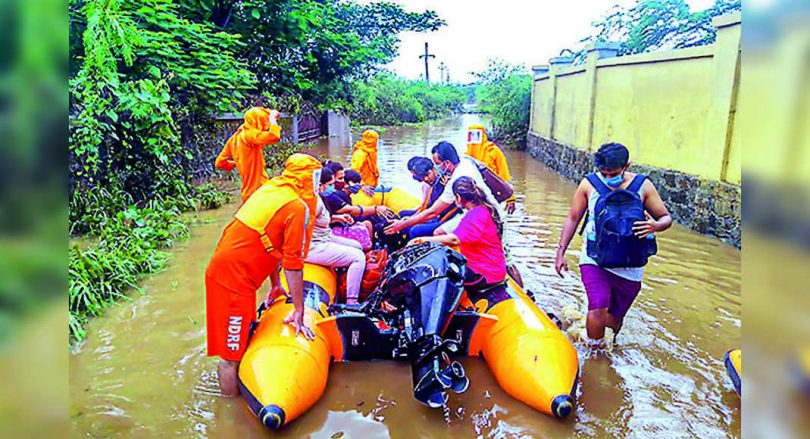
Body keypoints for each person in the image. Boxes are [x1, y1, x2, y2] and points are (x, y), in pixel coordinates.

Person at [204, 153, 320, 397]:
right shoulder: (295, 206)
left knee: (240, 342)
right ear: (308, 178)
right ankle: (229, 414)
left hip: (236, 276)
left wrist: (275, 285)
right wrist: (298, 310)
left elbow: (268, 243)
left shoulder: (272, 190)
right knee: (230, 356)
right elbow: (293, 263)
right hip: (232, 281)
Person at [554, 142, 672, 341]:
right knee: (598, 307)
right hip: (595, 258)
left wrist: (655, 226)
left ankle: (607, 348)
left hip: (631, 262)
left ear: (627, 166)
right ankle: (594, 356)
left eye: (613, 173)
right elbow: (573, 218)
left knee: (615, 317)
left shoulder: (643, 185)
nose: (608, 178)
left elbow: (665, 217)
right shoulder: (588, 184)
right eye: (604, 173)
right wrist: (560, 252)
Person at [385, 141, 504, 237]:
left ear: (447, 163)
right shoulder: (466, 161)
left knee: (437, 232)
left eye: (437, 163)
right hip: (484, 212)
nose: (436, 167)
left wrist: (402, 224)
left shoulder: (457, 180)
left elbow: (433, 212)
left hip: (482, 217)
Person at [408, 176, 506, 291]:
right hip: (492, 269)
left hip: (484, 274)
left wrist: (421, 240)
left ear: (458, 197)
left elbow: (454, 239)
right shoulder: (483, 210)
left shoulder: (475, 216)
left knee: (432, 276)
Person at [304, 167, 366, 305]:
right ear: (320, 185)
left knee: (357, 246)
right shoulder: (313, 202)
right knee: (358, 257)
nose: (333, 187)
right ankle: (352, 301)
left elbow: (317, 222)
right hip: (313, 246)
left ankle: (343, 280)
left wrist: (337, 218)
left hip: (323, 237)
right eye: (330, 184)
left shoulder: (315, 198)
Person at [215, 107, 281, 203]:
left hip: (247, 192)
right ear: (257, 122)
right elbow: (274, 136)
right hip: (259, 190)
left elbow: (219, 163)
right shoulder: (250, 136)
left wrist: (236, 163)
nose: (264, 127)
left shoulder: (233, 140)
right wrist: (272, 120)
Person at [399, 156, 459, 238]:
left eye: (427, 174)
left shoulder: (446, 183)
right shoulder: (432, 186)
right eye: (422, 177)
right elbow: (425, 207)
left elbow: (433, 212)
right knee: (405, 220)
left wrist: (408, 221)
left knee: (415, 230)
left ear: (434, 169)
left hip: (447, 219)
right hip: (438, 216)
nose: (426, 179)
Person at [465, 125, 516, 214]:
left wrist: (510, 198)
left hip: (492, 195)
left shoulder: (494, 151)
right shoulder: (467, 156)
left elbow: (504, 175)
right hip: (474, 197)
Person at [350, 129, 380, 196]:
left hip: (371, 185)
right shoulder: (360, 154)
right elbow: (354, 171)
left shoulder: (371, 152)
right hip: (363, 188)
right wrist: (362, 185)